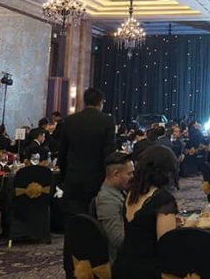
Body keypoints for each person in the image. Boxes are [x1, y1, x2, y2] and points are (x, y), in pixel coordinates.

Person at [113, 146, 180, 279]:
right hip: (148, 270)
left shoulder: (132, 192)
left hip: (122, 265)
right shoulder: (163, 200)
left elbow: (141, 228)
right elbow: (166, 246)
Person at [58, 87, 117, 216]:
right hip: (97, 178)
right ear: (100, 102)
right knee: (93, 217)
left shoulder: (70, 120)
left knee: (72, 218)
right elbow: (109, 153)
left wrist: (63, 177)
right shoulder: (107, 121)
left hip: (73, 177)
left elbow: (62, 152)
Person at [93, 151, 134, 263]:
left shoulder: (120, 191)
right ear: (116, 174)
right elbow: (118, 240)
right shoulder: (107, 200)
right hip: (120, 261)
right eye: (129, 174)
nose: (133, 177)